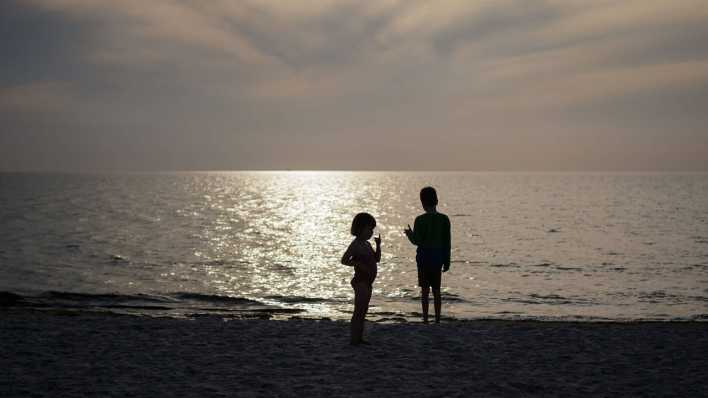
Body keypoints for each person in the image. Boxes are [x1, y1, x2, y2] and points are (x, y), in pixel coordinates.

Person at [404, 187, 451, 324]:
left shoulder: (419, 220)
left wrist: (409, 234)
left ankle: (425, 319)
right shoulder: (444, 219)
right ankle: (437, 319)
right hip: (437, 259)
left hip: (424, 259)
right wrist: (447, 261)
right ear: (436, 200)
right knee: (437, 291)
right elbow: (447, 243)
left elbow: (416, 241)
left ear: (422, 202)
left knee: (425, 291)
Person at [341, 212, 381, 345]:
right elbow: (344, 260)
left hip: (368, 282)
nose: (371, 232)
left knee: (364, 310)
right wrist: (357, 263)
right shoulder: (356, 244)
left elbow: (377, 259)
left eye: (372, 229)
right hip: (360, 281)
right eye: (369, 229)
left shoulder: (367, 244)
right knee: (358, 310)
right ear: (360, 228)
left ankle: (359, 337)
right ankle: (354, 339)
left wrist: (378, 245)